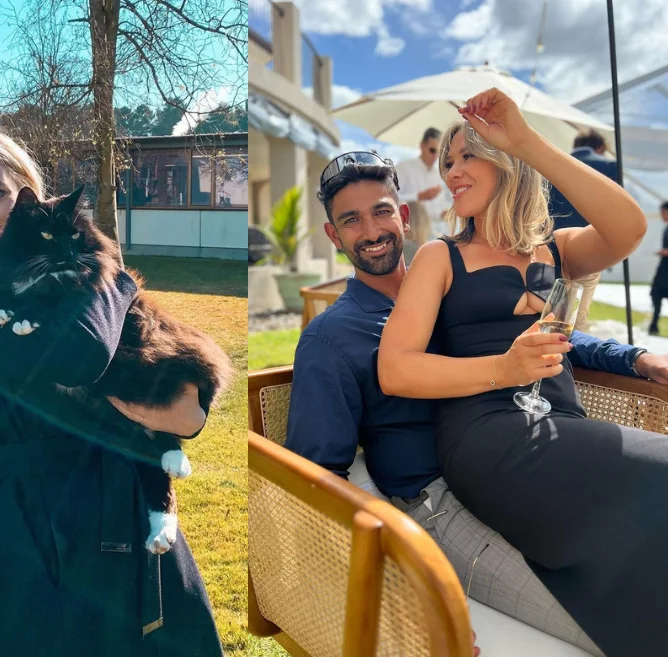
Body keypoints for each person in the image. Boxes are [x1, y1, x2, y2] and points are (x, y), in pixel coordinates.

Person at [286, 151, 668, 654]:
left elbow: (533, 338)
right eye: (350, 220)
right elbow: (317, 479)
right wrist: (399, 583)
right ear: (335, 237)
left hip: (522, 464)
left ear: (402, 216)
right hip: (439, 506)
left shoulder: (448, 280)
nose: (371, 230)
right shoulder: (331, 338)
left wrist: (637, 357)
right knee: (614, 621)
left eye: (381, 211)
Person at [0, 126, 224, 656]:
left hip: (125, 503)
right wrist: (117, 282)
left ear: (26, 194)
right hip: (31, 535)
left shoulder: (53, 276)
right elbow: (81, 357)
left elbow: (187, 410)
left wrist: (177, 411)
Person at [377, 88, 668, 657]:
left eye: (468, 156)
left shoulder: (555, 250)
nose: (453, 170)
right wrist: (503, 367)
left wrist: (528, 141)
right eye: (448, 161)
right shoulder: (442, 256)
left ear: (509, 164)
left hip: (563, 424)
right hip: (490, 436)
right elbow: (396, 368)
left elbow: (629, 228)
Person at [546, 129, 620, 331]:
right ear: (601, 147)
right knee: (573, 323)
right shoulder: (610, 166)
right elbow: (619, 211)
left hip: (549, 247)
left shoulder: (550, 164)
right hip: (589, 247)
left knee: (547, 314)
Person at [394, 127, 451, 265]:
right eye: (432, 150)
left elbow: (435, 212)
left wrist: (443, 213)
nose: (435, 156)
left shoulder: (439, 176)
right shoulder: (403, 168)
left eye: (439, 153)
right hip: (407, 236)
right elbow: (391, 199)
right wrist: (418, 196)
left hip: (429, 235)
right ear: (422, 145)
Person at [649, 201, 668, 335]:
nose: (662, 216)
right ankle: (654, 323)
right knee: (656, 293)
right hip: (664, 268)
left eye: (663, 212)